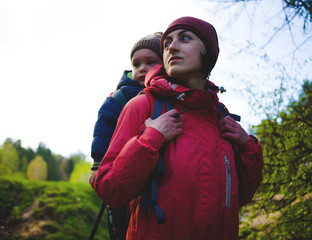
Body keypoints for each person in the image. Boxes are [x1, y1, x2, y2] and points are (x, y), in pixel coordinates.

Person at [94, 16, 264, 240]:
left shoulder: (222, 117)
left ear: (209, 53)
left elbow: (238, 198)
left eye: (184, 38)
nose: (172, 47)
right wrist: (149, 140)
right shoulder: (143, 105)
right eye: (167, 43)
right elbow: (110, 190)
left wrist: (249, 148)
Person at [89, 32, 163, 239]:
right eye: (136, 64)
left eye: (150, 62)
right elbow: (102, 132)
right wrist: (97, 163)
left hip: (152, 173)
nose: (142, 69)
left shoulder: (168, 96)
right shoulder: (119, 98)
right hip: (120, 169)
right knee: (121, 222)